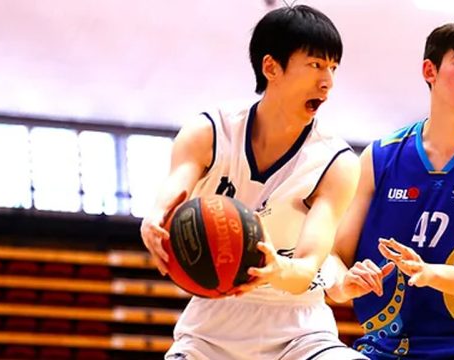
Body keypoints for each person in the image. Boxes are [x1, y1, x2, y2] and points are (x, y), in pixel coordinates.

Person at [140, 4, 367, 360]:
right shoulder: (209, 132)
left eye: (333, 68)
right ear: (271, 67)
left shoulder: (337, 162)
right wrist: (153, 220)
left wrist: (277, 269)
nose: (328, 82)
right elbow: (172, 193)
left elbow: (307, 269)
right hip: (211, 328)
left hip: (300, 329)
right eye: (315, 65)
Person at [327, 21, 454, 359]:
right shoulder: (379, 156)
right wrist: (341, 286)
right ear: (430, 70)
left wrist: (430, 273)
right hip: (385, 347)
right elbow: (336, 255)